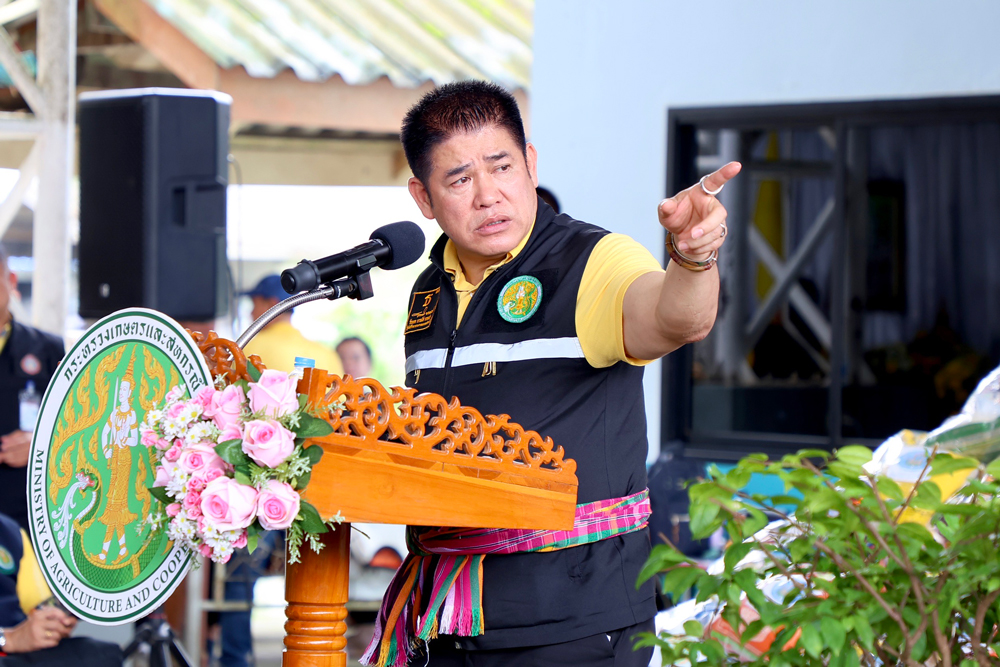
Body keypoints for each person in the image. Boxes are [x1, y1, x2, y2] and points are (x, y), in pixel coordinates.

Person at [363, 81, 737, 667]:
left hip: (572, 623)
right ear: (423, 197)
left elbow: (675, 319)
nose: (488, 195)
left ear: (531, 164)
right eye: (459, 179)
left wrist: (692, 258)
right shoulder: (428, 288)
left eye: (501, 166)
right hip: (452, 621)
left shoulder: (593, 260)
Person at [0, 511, 122, 666]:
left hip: (19, 652)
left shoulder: (11, 533)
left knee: (99, 654)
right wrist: (7, 638)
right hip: (8, 647)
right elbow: (16, 638)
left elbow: (36, 607)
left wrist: (54, 620)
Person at [0, 248, 64, 533]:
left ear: (11, 279)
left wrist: (41, 444)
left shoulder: (49, 349)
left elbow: (77, 427)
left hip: (27, 519)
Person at [242, 275, 343, 376]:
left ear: (271, 305)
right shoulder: (328, 354)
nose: (251, 313)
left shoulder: (251, 348)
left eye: (255, 305)